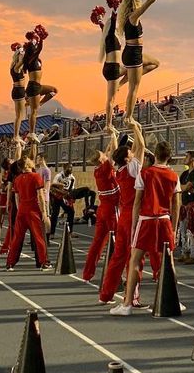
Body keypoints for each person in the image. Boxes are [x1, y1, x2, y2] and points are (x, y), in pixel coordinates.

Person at [110, 139, 180, 316]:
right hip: (165, 219)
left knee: (134, 260)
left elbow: (137, 202)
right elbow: (177, 204)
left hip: (147, 219)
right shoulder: (174, 176)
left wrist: (134, 226)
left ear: (155, 155)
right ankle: (173, 299)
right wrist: (174, 228)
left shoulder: (145, 174)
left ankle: (127, 304)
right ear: (170, 157)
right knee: (169, 261)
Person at [100, 121, 146, 306]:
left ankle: (106, 294)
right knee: (135, 258)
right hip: (133, 215)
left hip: (123, 215)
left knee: (118, 257)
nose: (132, 152)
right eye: (130, 153)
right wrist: (136, 127)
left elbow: (117, 153)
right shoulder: (132, 168)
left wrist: (115, 134)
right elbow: (141, 146)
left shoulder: (117, 169)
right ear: (127, 159)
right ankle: (133, 298)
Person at [118, 0, 166, 122]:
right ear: (135, 2)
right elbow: (149, 2)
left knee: (155, 63)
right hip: (133, 55)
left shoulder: (128, 18)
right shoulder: (133, 17)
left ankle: (121, 80)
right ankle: (128, 117)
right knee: (134, 88)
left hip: (133, 53)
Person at [82, 128, 120, 282]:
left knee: (97, 243)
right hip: (112, 209)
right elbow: (114, 152)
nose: (106, 152)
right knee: (119, 242)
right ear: (102, 159)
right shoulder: (105, 168)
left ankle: (87, 274)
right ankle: (117, 275)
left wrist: (113, 136)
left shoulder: (98, 170)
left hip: (102, 209)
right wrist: (113, 136)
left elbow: (108, 151)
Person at [6, 156, 51, 270]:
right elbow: (40, 196)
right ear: (26, 165)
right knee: (39, 237)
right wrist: (44, 212)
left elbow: (16, 197)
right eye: (29, 160)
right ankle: (43, 262)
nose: (32, 161)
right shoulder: (36, 177)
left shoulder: (17, 179)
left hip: (21, 210)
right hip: (33, 210)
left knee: (17, 238)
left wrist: (19, 208)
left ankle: (10, 263)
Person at [22, 26, 58, 142]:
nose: (35, 46)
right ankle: (31, 133)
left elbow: (38, 50)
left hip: (38, 86)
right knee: (34, 112)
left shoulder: (37, 59)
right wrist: (41, 40)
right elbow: (39, 49)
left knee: (54, 90)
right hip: (33, 87)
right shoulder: (31, 59)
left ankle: (39, 103)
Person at [96, 0, 122, 132]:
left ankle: (120, 85)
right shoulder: (111, 35)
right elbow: (112, 23)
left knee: (131, 69)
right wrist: (115, 9)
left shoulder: (107, 35)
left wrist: (100, 19)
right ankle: (108, 124)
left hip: (111, 67)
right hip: (113, 69)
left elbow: (103, 26)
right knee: (111, 99)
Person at [177, 150, 194, 265]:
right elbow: (179, 187)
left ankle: (193, 255)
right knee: (183, 230)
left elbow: (186, 187)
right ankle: (185, 253)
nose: (185, 158)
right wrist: (185, 187)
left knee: (192, 231)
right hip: (184, 205)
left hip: (193, 204)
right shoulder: (184, 174)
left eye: (187, 156)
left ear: (193, 159)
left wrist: (186, 187)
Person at [50, 163, 76, 239]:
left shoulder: (72, 178)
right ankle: (52, 233)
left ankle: (70, 231)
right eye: (68, 168)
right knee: (55, 214)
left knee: (71, 212)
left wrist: (70, 197)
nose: (70, 169)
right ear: (64, 168)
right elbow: (53, 185)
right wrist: (60, 188)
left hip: (65, 196)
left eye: (71, 168)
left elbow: (72, 189)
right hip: (57, 196)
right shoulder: (59, 176)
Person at [9, 42, 27, 141]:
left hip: (19, 91)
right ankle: (16, 136)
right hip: (19, 91)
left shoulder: (13, 66)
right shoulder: (16, 67)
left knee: (20, 114)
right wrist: (23, 52)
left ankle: (16, 135)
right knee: (19, 115)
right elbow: (22, 60)